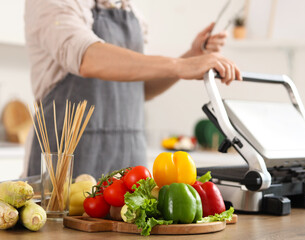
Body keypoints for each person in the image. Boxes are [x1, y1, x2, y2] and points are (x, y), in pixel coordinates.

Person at [23, 0, 241, 178]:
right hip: (65, 168)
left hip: (128, 162)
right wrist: (180, 66)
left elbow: (140, 88)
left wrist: (190, 56)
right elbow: (87, 58)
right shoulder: (51, 3)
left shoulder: (131, 11)